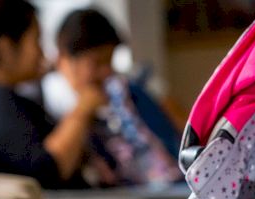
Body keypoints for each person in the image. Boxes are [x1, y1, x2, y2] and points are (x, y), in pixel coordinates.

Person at [0, 0, 105, 188]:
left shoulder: (4, 100)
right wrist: (83, 109)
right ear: (5, 49)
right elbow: (47, 172)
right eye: (37, 41)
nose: (42, 53)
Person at [42, 8, 182, 186]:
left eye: (109, 61)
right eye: (96, 62)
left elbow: (183, 126)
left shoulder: (129, 88)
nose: (106, 71)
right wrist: (84, 109)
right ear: (64, 59)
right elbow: (54, 165)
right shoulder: (49, 100)